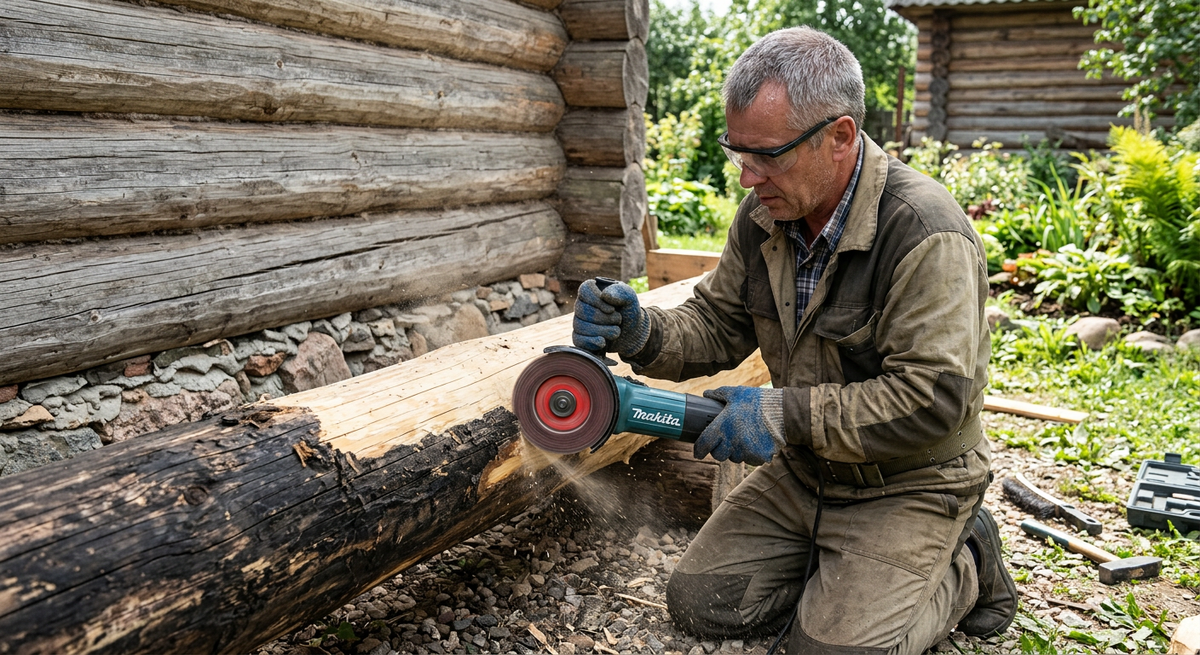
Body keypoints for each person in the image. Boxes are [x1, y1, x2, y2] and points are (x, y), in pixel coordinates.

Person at [571, 26, 1016, 655]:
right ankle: (848, 571)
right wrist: (641, 331)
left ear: (839, 137)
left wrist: (783, 414)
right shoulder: (766, 214)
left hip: (911, 479)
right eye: (737, 152)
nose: (747, 177)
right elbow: (718, 322)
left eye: (767, 154)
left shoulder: (923, 232)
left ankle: (965, 560)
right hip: (810, 468)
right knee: (702, 603)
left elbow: (933, 399)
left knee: (830, 652)